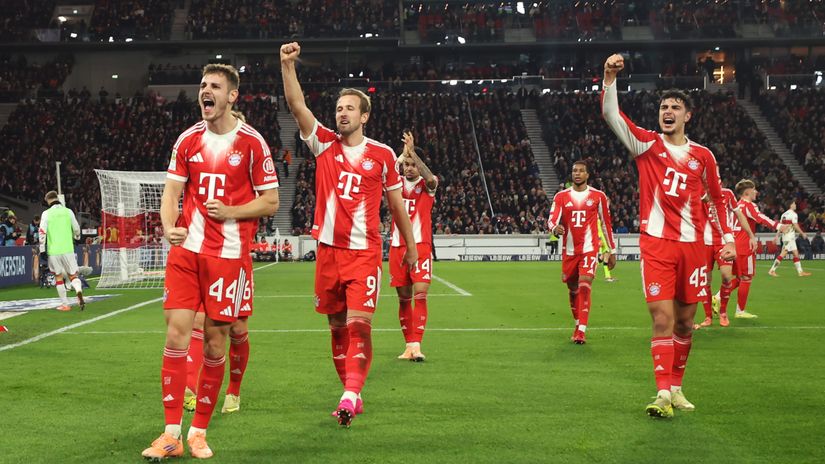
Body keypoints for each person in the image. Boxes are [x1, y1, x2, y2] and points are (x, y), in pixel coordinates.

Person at [141, 63, 279, 460]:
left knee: (217, 343)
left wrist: (232, 212)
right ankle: (170, 434)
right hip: (187, 252)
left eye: (215, 86)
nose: (206, 90)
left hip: (228, 256)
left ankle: (198, 431)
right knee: (176, 334)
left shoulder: (253, 142)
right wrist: (169, 226)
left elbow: (271, 201)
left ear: (232, 96)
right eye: (203, 85)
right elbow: (170, 193)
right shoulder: (187, 140)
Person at [281, 41, 418, 428]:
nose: (342, 113)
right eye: (339, 108)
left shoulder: (383, 155)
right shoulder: (323, 144)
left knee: (359, 325)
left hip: (363, 254)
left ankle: (349, 392)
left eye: (349, 109)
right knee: (336, 327)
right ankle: (352, 392)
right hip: (327, 252)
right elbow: (297, 107)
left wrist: (409, 247)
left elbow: (396, 206)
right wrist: (287, 67)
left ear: (365, 116)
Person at [601, 53, 736, 418]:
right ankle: (662, 393)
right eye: (663, 106)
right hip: (657, 244)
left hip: (695, 246)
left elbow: (717, 199)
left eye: (675, 106)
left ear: (687, 115)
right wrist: (609, 78)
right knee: (661, 318)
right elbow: (612, 116)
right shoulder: (647, 145)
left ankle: (676, 388)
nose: (668, 110)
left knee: (686, 322)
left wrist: (725, 238)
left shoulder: (703, 156)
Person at [547, 160, 616, 344]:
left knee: (585, 284)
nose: (577, 173)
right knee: (572, 288)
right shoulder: (561, 196)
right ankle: (577, 323)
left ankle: (581, 331)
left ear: (587, 175)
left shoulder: (598, 196)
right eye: (574, 170)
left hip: (589, 249)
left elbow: (606, 224)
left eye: (581, 171)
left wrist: (611, 250)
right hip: (569, 251)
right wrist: (555, 229)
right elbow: (552, 219)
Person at [390, 131, 438, 361]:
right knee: (403, 298)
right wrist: (402, 155)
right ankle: (409, 345)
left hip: (420, 246)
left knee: (420, 293)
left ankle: (417, 344)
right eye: (406, 164)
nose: (409, 168)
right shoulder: (395, 184)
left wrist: (414, 154)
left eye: (413, 164)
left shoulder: (427, 186)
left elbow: (431, 179)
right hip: (397, 246)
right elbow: (386, 171)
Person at [719, 179, 788, 320]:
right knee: (747, 278)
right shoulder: (748, 205)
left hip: (734, 244)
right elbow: (759, 217)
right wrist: (778, 226)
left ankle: (717, 298)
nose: (756, 192)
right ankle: (739, 311)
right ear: (747, 192)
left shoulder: (736, 206)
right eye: (754, 189)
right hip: (745, 245)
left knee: (739, 278)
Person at [695, 188, 756, 329]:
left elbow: (739, 214)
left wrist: (751, 236)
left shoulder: (727, 193)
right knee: (705, 280)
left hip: (724, 242)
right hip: (703, 242)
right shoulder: (698, 192)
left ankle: (723, 312)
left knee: (727, 277)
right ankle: (708, 316)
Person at [38, 191, 84, 312]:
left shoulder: (46, 213)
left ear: (47, 200)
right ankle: (78, 292)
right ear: (57, 198)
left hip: (54, 251)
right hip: (68, 249)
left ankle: (65, 305)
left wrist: (42, 248)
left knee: (58, 277)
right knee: (73, 275)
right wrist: (77, 237)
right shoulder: (68, 211)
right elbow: (76, 228)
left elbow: (42, 231)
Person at [768, 200, 812, 277]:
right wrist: (802, 233)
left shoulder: (783, 214)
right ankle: (772, 270)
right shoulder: (793, 214)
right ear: (790, 205)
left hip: (787, 237)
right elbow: (795, 225)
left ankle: (800, 272)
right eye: (794, 204)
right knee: (783, 253)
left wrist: (777, 236)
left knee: (796, 254)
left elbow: (780, 227)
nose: (795, 205)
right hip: (789, 237)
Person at [597, 218, 616, 283]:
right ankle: (607, 276)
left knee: (603, 255)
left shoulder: (597, 217)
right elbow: (597, 229)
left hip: (603, 236)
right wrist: (599, 238)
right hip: (601, 237)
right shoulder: (595, 218)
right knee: (607, 252)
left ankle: (591, 271)